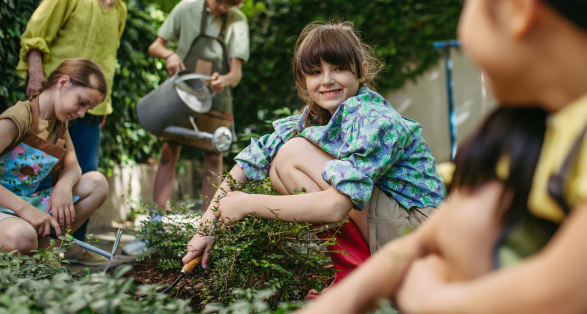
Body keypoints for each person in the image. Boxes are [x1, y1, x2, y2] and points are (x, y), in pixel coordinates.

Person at [268, 0, 587, 314]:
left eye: (469, 2)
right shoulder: (534, 128)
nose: (461, 29)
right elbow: (435, 234)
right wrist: (344, 303)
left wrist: (432, 297)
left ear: (516, 1)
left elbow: (557, 297)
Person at [181, 21, 446, 293]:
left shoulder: (372, 119)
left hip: (420, 238)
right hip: (398, 232)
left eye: (339, 68)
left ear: (362, 71)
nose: (327, 80)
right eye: (316, 72)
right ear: (304, 80)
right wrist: (205, 229)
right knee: (280, 162)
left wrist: (247, 203)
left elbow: (334, 207)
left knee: (292, 154)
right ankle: (354, 274)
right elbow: (253, 158)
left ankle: (362, 284)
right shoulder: (316, 117)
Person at [15, 0, 142, 264]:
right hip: (57, 96)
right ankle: (23, 242)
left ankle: (69, 248)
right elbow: (38, 29)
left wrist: (103, 104)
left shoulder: (120, 9)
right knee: (38, 175)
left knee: (83, 174)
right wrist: (35, 76)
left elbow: (107, 60)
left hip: (91, 109)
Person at [147, 0, 250, 212]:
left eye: (229, 4)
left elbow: (236, 73)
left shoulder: (238, 20)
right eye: (219, 1)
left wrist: (223, 80)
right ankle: (155, 224)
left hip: (217, 99)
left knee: (214, 157)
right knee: (169, 150)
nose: (223, 8)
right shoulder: (186, 8)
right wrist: (169, 56)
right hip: (181, 95)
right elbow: (155, 46)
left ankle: (206, 228)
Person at [0, 58, 109, 258]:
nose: (81, 113)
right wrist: (24, 209)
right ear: (63, 83)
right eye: (81, 103)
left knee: (97, 183)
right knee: (22, 238)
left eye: (87, 109)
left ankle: (44, 253)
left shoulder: (58, 124)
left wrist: (64, 185)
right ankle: (25, 255)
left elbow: (74, 168)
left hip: (21, 207)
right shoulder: (18, 118)